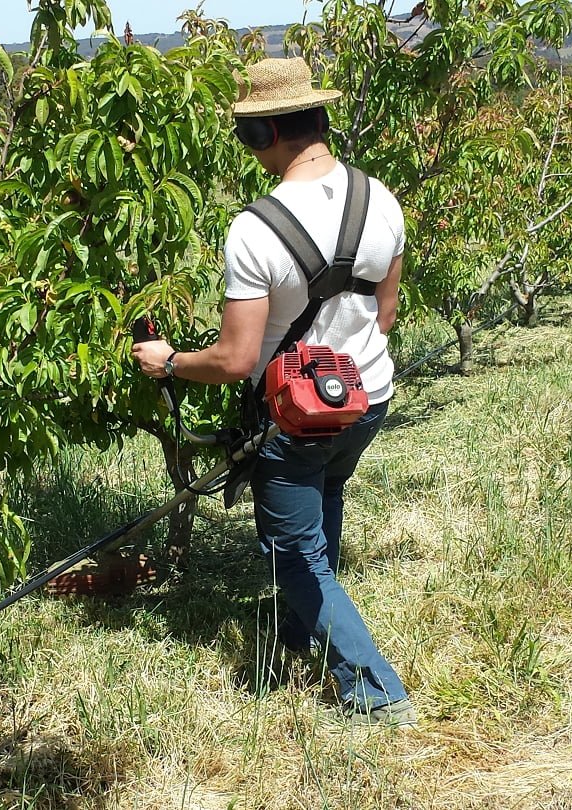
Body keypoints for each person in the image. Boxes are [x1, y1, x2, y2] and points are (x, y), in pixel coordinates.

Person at [132, 57, 416, 728]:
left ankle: (376, 690)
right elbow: (384, 315)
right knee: (324, 500)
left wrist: (168, 361)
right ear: (318, 119)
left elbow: (233, 359)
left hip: (295, 415)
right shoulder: (381, 197)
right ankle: (300, 632)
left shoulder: (256, 228)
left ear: (262, 136)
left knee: (290, 552)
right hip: (368, 395)